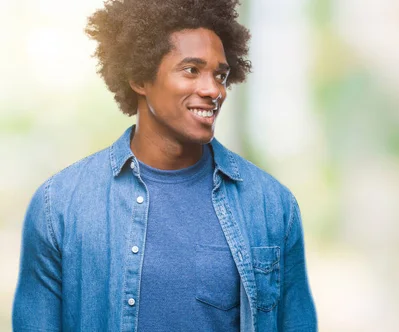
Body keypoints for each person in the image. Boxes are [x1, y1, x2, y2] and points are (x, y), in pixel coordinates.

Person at [12, 0, 317, 331]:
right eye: (191, 70)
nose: (213, 89)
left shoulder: (271, 205)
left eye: (220, 74)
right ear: (140, 79)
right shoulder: (59, 207)